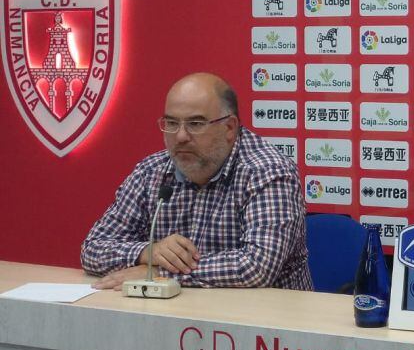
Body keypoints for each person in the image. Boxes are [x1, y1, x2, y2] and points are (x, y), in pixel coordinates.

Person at [81, 72, 312, 290]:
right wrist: (147, 252)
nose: (180, 136)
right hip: (176, 315)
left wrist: (159, 273)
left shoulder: (267, 171)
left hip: (264, 323)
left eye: (195, 124)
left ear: (229, 128)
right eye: (172, 123)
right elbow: (93, 248)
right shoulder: (151, 172)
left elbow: (256, 266)